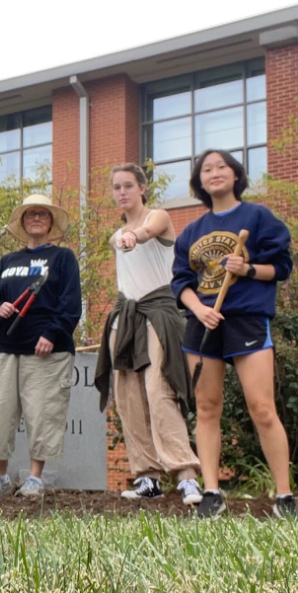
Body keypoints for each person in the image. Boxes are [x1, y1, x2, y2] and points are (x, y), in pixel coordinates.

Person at [172, 149, 298, 519]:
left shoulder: (257, 217)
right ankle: (211, 491)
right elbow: (181, 282)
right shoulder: (192, 232)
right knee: (207, 409)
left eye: (222, 166)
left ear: (235, 174)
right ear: (199, 181)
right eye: (206, 169)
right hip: (203, 325)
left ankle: (284, 497)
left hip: (246, 319)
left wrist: (248, 269)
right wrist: (199, 310)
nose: (214, 172)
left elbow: (281, 267)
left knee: (262, 408)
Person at [93, 165, 202, 505]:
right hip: (125, 317)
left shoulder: (159, 217)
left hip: (159, 313)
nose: (122, 192)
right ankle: (147, 478)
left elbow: (149, 231)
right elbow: (121, 240)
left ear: (142, 188)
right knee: (127, 396)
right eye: (116, 187)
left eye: (128, 185)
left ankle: (186, 476)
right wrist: (123, 237)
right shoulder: (115, 235)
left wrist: (134, 236)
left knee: (159, 390)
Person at [0, 194, 82, 497]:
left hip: (47, 350)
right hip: (7, 348)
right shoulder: (7, 262)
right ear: (23, 222)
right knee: (1, 413)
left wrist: (52, 333)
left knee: (42, 413)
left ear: (50, 222)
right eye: (30, 214)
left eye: (43, 214)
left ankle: (35, 478)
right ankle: (0, 477)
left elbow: (70, 303)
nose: (36, 218)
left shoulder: (63, 257)